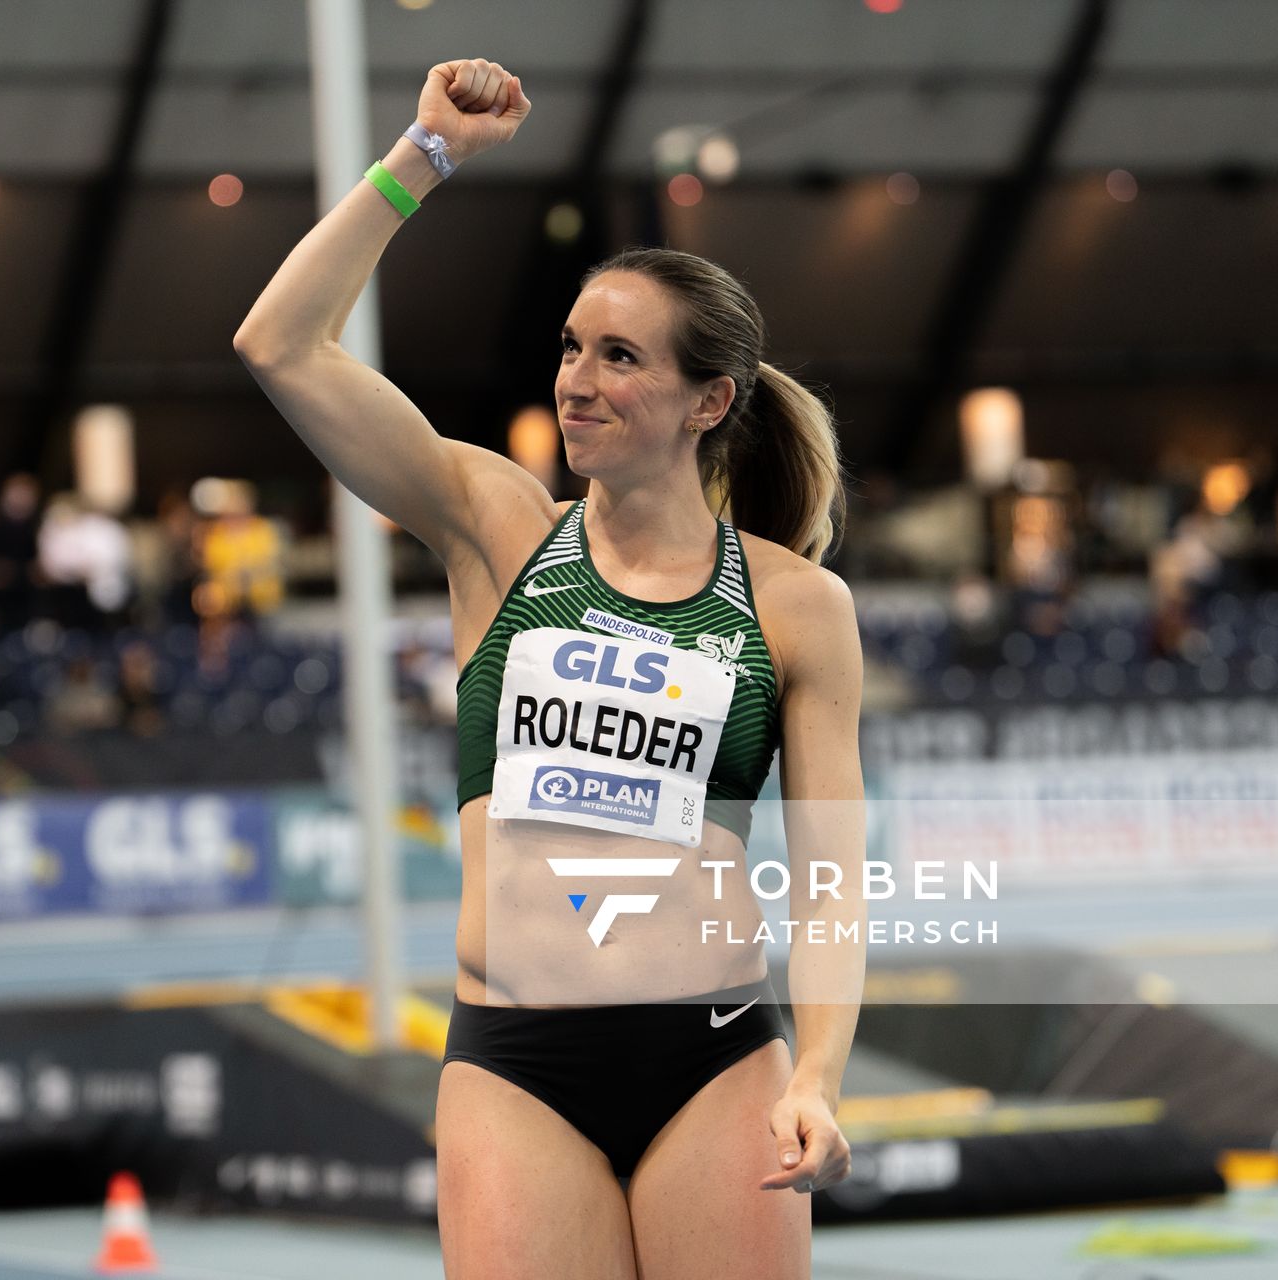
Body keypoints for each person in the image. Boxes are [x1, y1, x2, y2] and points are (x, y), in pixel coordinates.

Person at [236, 59, 864, 1277]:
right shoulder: (495, 526)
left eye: (622, 358)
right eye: (573, 348)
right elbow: (280, 344)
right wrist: (424, 154)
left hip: (716, 1058)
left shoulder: (793, 606)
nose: (578, 380)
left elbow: (832, 882)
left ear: (707, 400)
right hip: (516, 1064)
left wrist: (823, 1074)